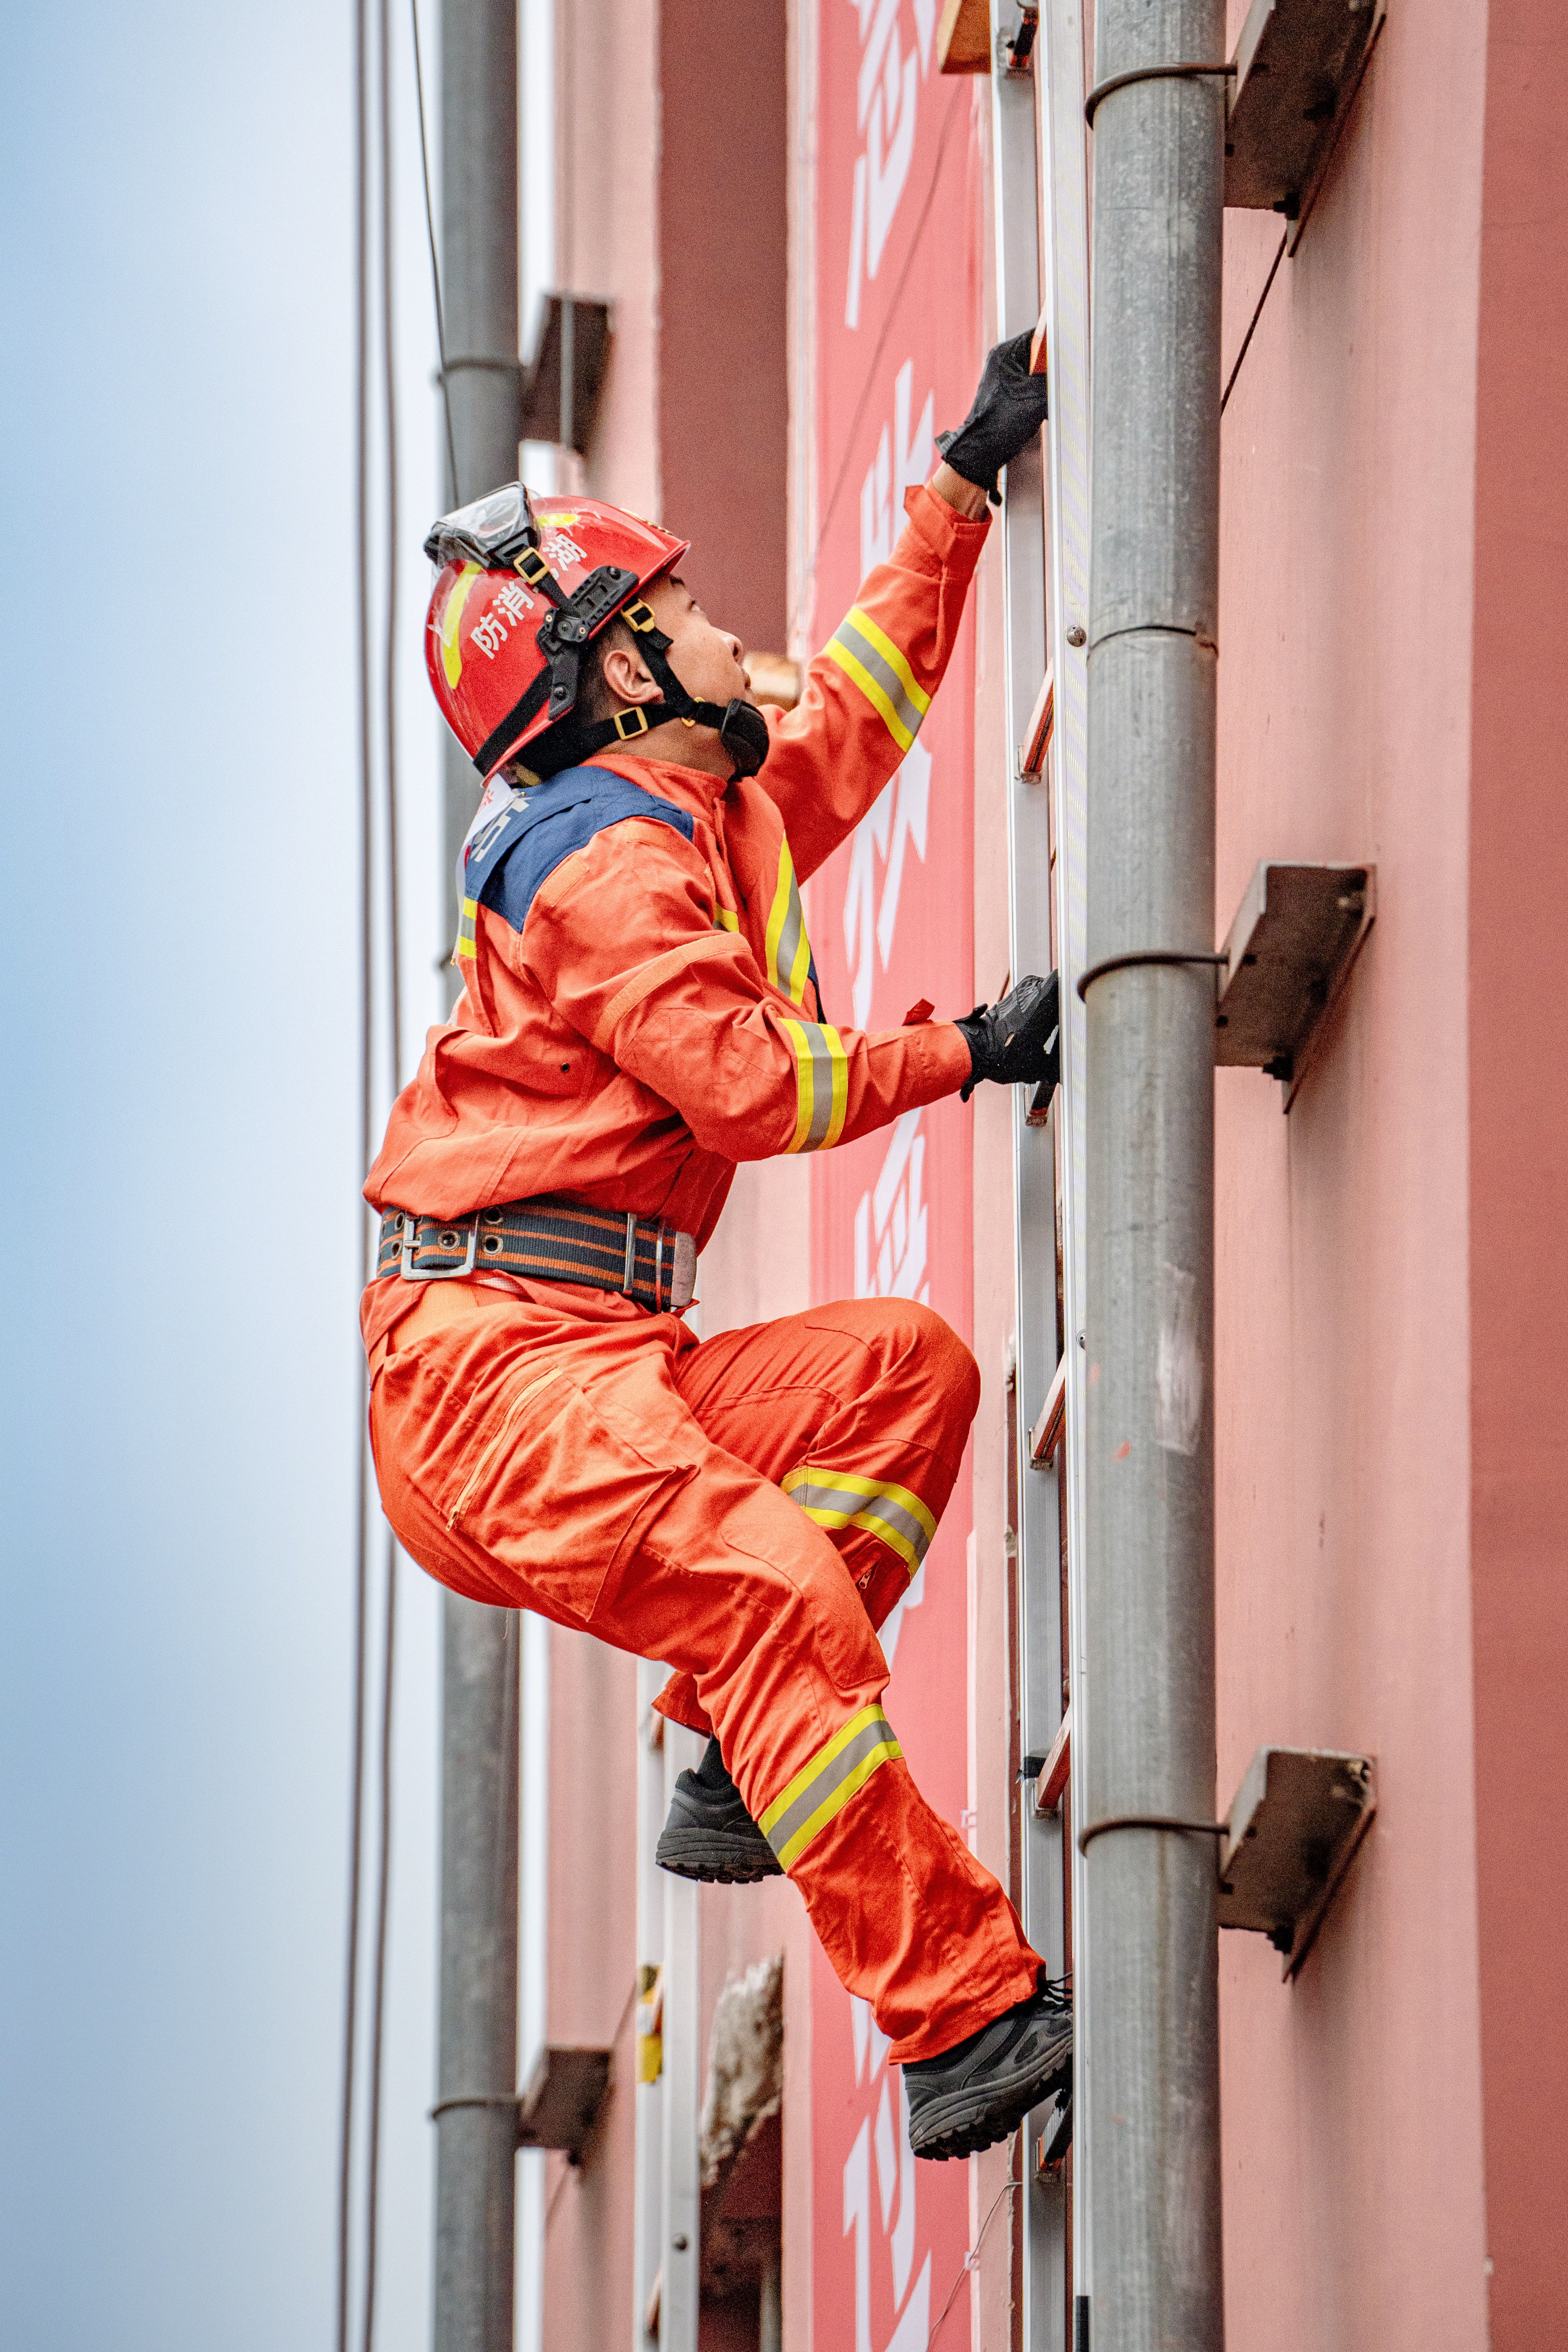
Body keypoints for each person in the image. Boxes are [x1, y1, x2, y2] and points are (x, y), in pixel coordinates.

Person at [363, 333, 1070, 2160]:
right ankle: (966, 2021)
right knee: (769, 1589)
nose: (720, 627)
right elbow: (748, 1083)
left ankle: (734, 1764)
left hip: (592, 1351)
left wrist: (957, 489)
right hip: (492, 1380)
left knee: (902, 1378)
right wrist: (959, 1050)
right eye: (678, 609)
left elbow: (850, 717)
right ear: (619, 668)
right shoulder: (605, 868)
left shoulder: (705, 809)